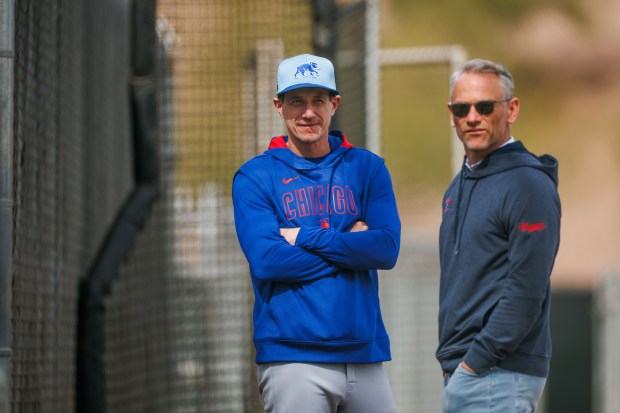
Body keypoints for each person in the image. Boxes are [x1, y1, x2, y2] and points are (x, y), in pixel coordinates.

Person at [232, 54, 401, 412]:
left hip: (365, 354)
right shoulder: (255, 177)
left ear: (334, 104)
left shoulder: (368, 168)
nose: (308, 113)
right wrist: (353, 244)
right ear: (279, 106)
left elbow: (385, 249)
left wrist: (305, 237)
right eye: (297, 101)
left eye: (318, 101)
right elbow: (268, 262)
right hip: (293, 358)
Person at [436, 58, 561, 412]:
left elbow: (526, 289)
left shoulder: (528, 185)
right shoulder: (457, 186)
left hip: (495, 373)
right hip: (467, 374)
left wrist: (475, 363)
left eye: (485, 106)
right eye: (462, 108)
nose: (472, 116)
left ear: (512, 109)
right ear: (451, 114)